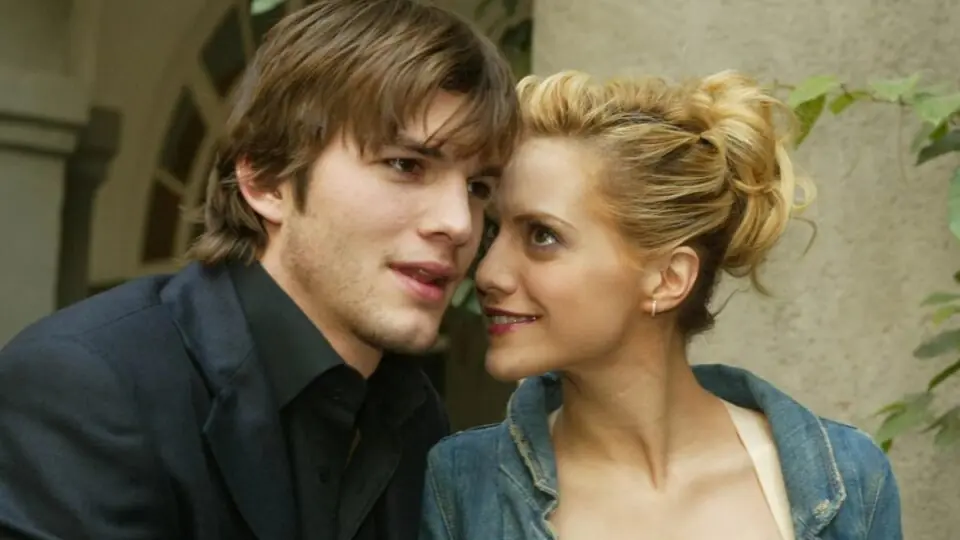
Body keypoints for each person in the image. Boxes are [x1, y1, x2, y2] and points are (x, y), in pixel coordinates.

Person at [0, 1, 518, 539]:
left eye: (478, 188)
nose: (459, 224)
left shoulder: (414, 413)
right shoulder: (89, 386)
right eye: (406, 166)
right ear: (267, 180)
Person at [420, 70, 902, 540]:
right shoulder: (463, 485)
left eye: (542, 236)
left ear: (668, 279)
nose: (488, 273)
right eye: (494, 231)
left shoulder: (846, 481)